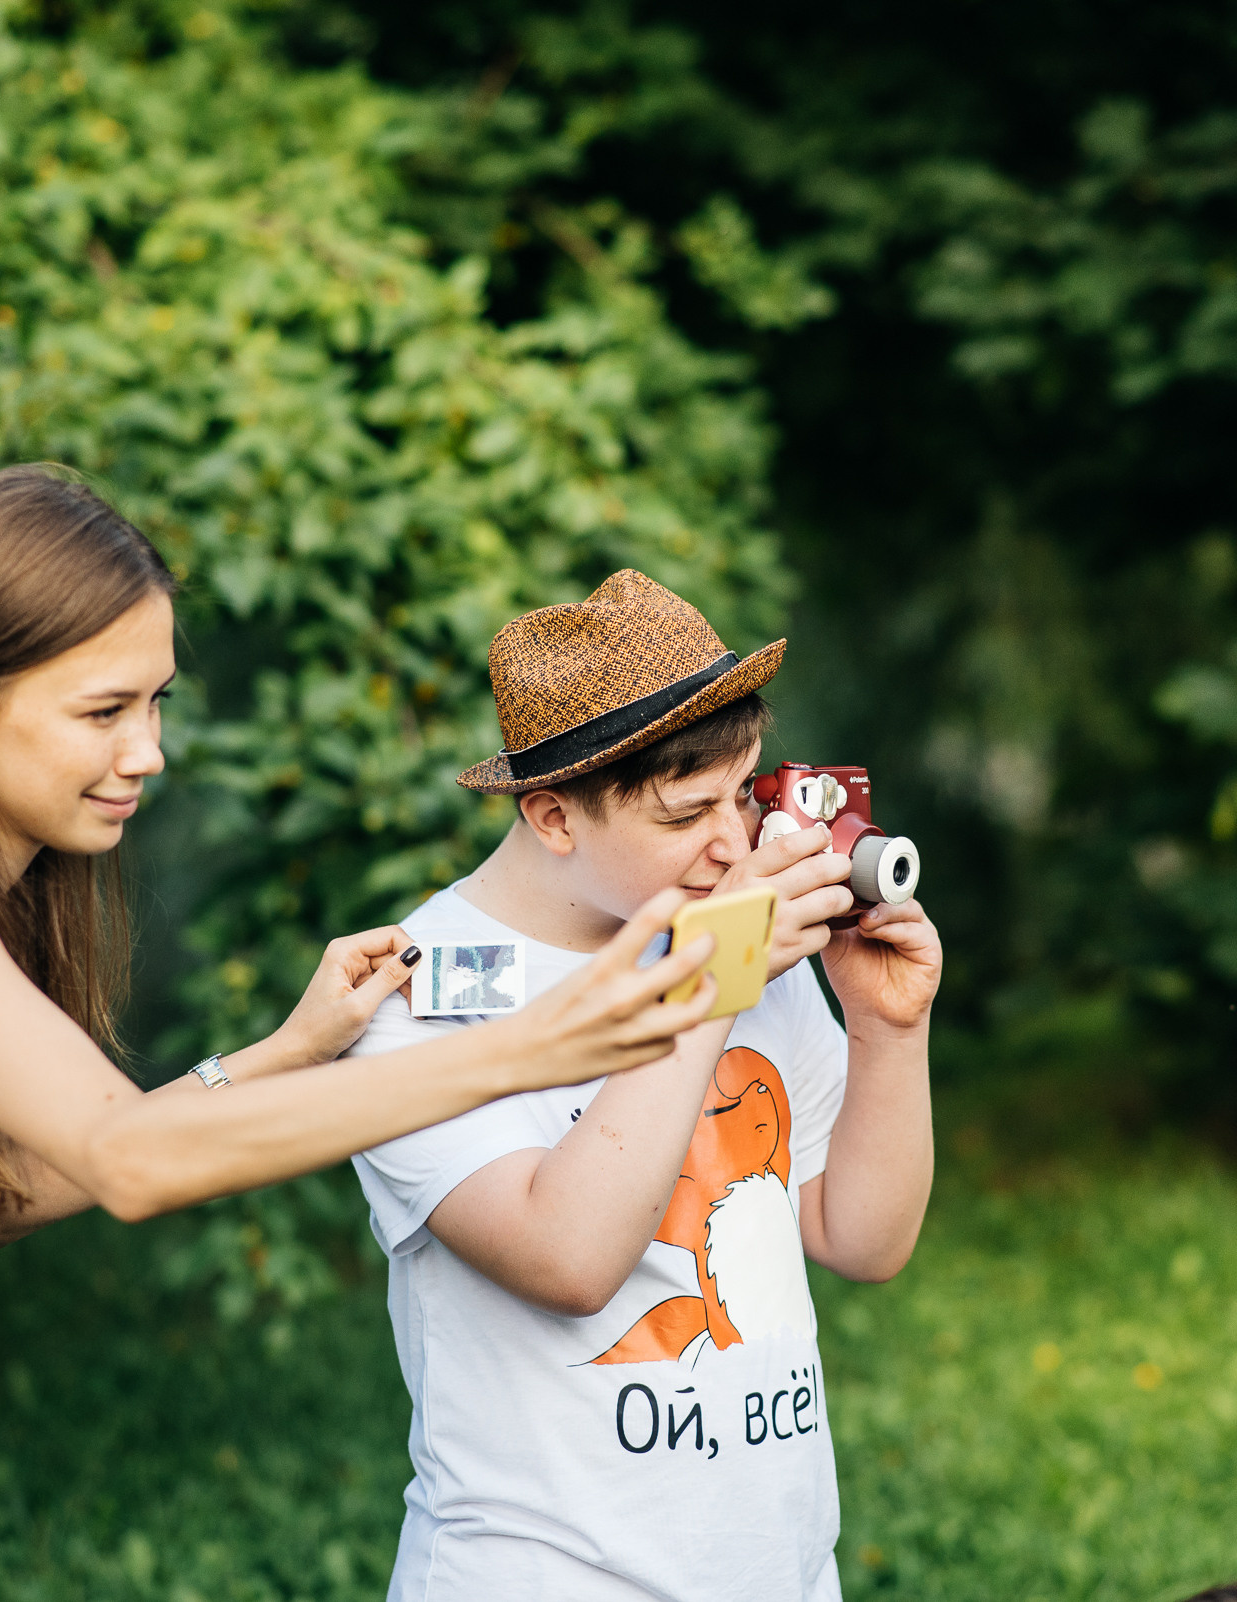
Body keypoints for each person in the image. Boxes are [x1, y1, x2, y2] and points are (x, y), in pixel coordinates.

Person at [0, 469, 723, 1602]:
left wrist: (284, 1050)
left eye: (154, 702)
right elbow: (131, 1162)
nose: (146, 751)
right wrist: (534, 1048)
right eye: (103, 710)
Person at [346, 570, 943, 1600]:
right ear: (555, 818)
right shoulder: (416, 992)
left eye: (744, 796)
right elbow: (569, 1259)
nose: (735, 845)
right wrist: (715, 975)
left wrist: (891, 1029)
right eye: (685, 814)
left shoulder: (729, 928)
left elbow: (864, 1239)